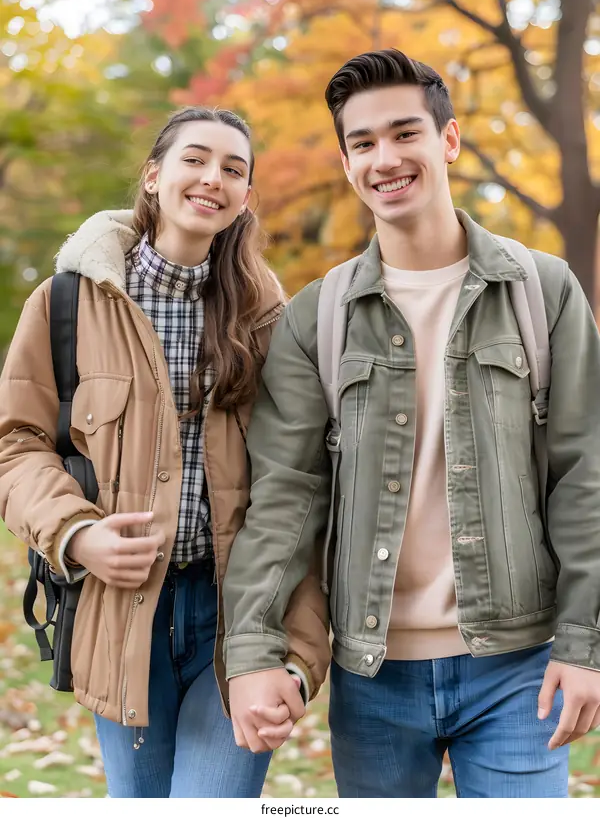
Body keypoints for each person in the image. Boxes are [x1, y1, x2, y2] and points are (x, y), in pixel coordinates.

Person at [223, 50, 600, 798]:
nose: (385, 159)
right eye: (363, 144)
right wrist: (252, 652)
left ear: (448, 140)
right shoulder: (317, 318)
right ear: (346, 161)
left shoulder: (541, 291)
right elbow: (285, 501)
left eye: (405, 134)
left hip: (517, 667)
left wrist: (586, 642)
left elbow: (584, 473)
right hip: (376, 675)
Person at [0, 106, 329, 798]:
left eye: (234, 170)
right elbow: (16, 444)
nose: (214, 178)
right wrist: (76, 533)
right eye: (195, 159)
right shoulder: (66, 304)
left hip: (237, 621)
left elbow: (300, 485)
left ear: (245, 197)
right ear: (154, 176)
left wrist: (297, 657)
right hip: (122, 618)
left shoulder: (271, 320)